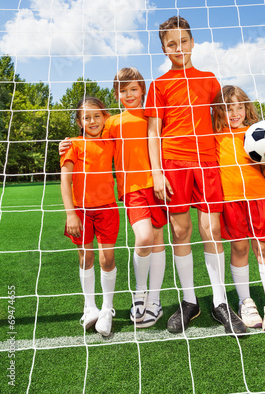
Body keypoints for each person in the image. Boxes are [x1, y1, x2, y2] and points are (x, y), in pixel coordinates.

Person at [145, 16, 246, 335]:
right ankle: (189, 301)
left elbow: (222, 122)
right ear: (163, 48)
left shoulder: (210, 79)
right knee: (180, 230)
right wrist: (157, 173)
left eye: (183, 41)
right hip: (174, 165)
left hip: (208, 164)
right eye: (171, 44)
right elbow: (152, 132)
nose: (179, 48)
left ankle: (220, 303)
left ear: (192, 42)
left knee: (211, 229)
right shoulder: (158, 84)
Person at [213, 85, 265, 333]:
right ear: (219, 112)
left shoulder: (259, 133)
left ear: (247, 108)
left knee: (263, 247)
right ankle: (246, 302)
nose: (234, 113)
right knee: (240, 248)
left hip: (257, 199)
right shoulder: (215, 137)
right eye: (227, 108)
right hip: (230, 201)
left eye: (239, 107)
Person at [105, 67, 167, 328]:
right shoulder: (112, 123)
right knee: (143, 238)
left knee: (157, 241)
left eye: (133, 89)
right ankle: (139, 292)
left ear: (142, 89)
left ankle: (155, 301)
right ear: (117, 94)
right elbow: (95, 144)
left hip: (159, 186)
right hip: (133, 189)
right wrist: (70, 143)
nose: (129, 94)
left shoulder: (153, 116)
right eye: (123, 91)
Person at [60, 97, 119, 337]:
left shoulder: (112, 141)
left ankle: (107, 308)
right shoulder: (72, 144)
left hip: (107, 209)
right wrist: (70, 214)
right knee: (86, 259)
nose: (92, 121)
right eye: (86, 117)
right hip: (80, 212)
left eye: (97, 116)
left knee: (107, 259)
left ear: (105, 117)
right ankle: (90, 306)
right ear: (79, 121)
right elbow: (65, 181)